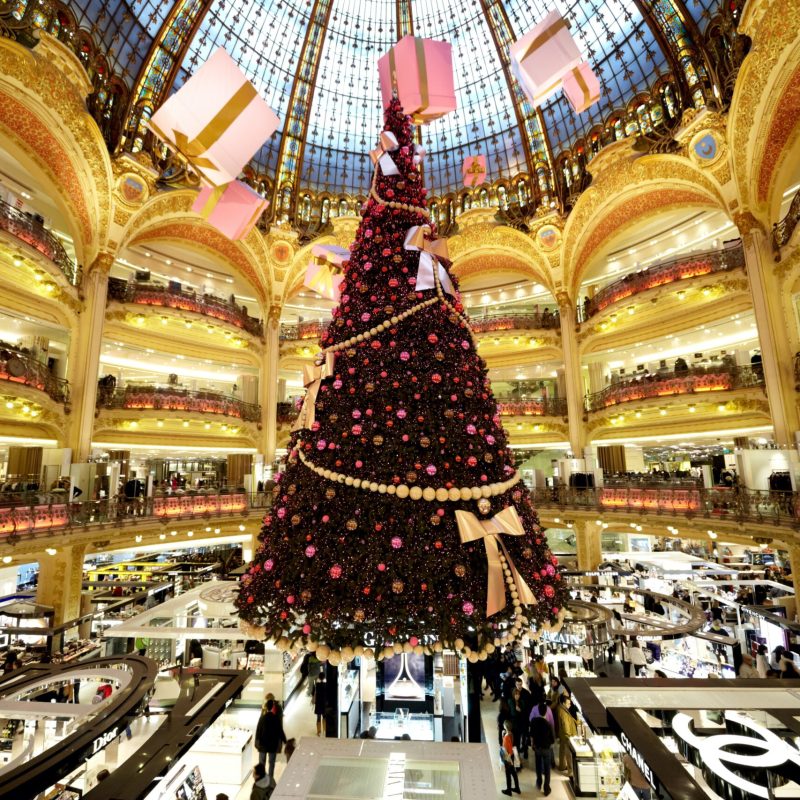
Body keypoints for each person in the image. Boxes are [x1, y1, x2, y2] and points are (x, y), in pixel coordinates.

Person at [255, 699, 287, 780]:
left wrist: (257, 741)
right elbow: (280, 731)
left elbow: (258, 730)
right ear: (272, 707)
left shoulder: (262, 718)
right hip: (273, 745)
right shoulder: (275, 718)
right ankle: (270, 780)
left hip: (263, 744)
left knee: (262, 763)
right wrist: (285, 741)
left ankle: (261, 779)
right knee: (271, 763)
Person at [529, 702, 555, 796]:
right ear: (546, 712)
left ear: (538, 711)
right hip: (546, 749)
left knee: (538, 766)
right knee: (547, 770)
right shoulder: (548, 724)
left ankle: (539, 783)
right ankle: (546, 788)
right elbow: (552, 739)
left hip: (537, 748)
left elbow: (531, 734)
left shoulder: (533, 721)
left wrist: (533, 744)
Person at [556, 695, 578, 774]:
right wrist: (569, 736)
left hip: (563, 735)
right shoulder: (564, 713)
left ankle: (562, 766)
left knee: (562, 751)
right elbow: (566, 725)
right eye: (568, 703)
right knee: (568, 754)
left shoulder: (561, 708)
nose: (570, 705)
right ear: (564, 703)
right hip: (567, 736)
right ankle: (570, 772)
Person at [499, 719, 521, 796]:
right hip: (510, 757)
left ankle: (509, 790)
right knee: (513, 773)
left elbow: (508, 748)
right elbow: (507, 744)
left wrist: (507, 759)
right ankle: (517, 788)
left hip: (508, 757)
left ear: (506, 726)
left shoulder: (507, 737)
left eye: (504, 724)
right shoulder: (510, 734)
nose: (503, 725)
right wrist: (503, 735)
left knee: (508, 774)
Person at [312, 669, 326, 736]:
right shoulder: (325, 685)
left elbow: (312, 693)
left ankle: (318, 731)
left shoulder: (316, 685)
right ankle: (325, 730)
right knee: (324, 716)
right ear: (324, 677)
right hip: (324, 703)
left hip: (318, 703)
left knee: (318, 717)